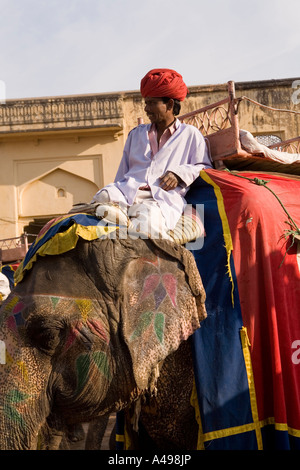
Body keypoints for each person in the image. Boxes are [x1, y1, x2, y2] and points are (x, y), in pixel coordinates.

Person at [91, 68, 212, 240]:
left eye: (151, 103)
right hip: (128, 192)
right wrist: (116, 191)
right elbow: (122, 174)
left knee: (147, 220)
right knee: (103, 196)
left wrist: (179, 174)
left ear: (169, 104)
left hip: (162, 199)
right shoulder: (136, 134)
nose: (146, 109)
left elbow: (204, 166)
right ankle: (122, 217)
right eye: (146, 103)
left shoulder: (190, 135)